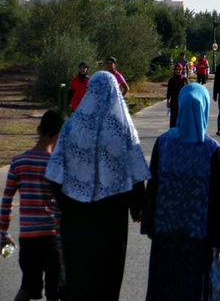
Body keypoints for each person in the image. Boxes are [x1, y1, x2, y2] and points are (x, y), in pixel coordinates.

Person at [45, 71, 151, 301]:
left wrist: (65, 202)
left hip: (76, 215)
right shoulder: (123, 130)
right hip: (112, 216)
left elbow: (54, 174)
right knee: (108, 278)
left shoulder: (72, 128)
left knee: (79, 276)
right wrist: (137, 208)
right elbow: (135, 172)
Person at [142, 84, 220, 301]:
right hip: (199, 237)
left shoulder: (163, 143)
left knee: (166, 289)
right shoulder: (212, 150)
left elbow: (152, 186)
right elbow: (217, 199)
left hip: (166, 233)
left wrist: (150, 223)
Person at [1, 109, 67, 301]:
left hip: (27, 238)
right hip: (51, 239)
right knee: (55, 293)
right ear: (59, 135)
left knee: (28, 287)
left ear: (38, 130)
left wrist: (3, 234)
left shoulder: (18, 162)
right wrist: (62, 244)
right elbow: (58, 207)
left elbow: (6, 202)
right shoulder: (54, 164)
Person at [166, 63, 189, 128]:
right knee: (174, 117)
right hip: (174, 101)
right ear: (174, 70)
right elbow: (169, 92)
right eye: (176, 69)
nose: (178, 71)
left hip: (183, 101)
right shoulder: (171, 80)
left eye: (179, 69)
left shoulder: (184, 80)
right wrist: (168, 101)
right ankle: (173, 132)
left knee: (182, 117)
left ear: (182, 70)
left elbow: (188, 91)